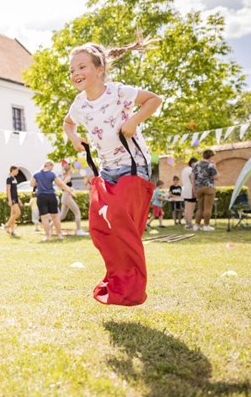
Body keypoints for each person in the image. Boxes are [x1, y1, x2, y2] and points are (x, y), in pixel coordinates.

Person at [64, 38, 162, 306]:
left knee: (121, 221)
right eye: (72, 69)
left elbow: (154, 99)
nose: (75, 73)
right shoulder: (79, 104)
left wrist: (133, 121)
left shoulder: (117, 92)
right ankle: (116, 278)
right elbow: (68, 123)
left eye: (81, 66)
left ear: (99, 69)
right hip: (107, 170)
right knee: (98, 226)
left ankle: (133, 286)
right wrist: (74, 138)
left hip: (134, 165)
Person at [30, 160, 75, 242]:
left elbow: (32, 184)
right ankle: (60, 235)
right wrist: (69, 190)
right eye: (52, 166)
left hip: (41, 197)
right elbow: (60, 184)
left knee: (44, 217)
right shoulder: (52, 174)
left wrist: (40, 183)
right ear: (49, 165)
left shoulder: (36, 174)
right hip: (51, 196)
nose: (52, 168)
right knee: (55, 217)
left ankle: (47, 236)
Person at [192, 149, 219, 231]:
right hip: (208, 187)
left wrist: (193, 188)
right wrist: (215, 166)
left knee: (200, 208)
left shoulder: (196, 164)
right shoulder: (210, 165)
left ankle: (196, 225)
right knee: (208, 208)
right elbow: (216, 177)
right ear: (210, 156)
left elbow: (193, 177)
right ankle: (206, 226)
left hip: (198, 187)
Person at [58, 162, 85, 235]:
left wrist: (70, 189)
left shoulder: (66, 176)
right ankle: (79, 230)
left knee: (62, 216)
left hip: (65, 196)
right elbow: (62, 185)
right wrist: (70, 189)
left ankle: (50, 227)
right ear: (69, 169)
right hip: (67, 197)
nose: (73, 168)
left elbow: (62, 185)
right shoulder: (68, 177)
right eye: (72, 167)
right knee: (77, 213)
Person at [4, 165, 22, 236]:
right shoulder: (9, 179)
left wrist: (19, 199)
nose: (17, 172)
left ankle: (13, 231)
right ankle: (7, 225)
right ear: (13, 170)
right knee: (18, 213)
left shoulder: (14, 178)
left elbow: (15, 190)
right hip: (12, 199)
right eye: (17, 170)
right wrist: (10, 200)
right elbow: (8, 190)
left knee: (12, 215)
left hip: (16, 198)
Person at [181, 157, 198, 230]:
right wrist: (195, 191)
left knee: (187, 207)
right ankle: (189, 223)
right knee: (191, 208)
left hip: (185, 189)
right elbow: (192, 181)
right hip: (190, 190)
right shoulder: (191, 170)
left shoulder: (185, 169)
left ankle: (188, 223)